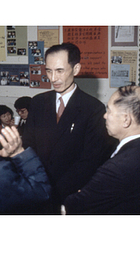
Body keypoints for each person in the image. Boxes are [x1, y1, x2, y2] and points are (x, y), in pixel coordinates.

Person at [22, 42, 116, 213]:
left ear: (76, 69)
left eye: (59, 70)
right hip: (36, 188)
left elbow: (90, 160)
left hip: (70, 194)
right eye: (48, 70)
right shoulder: (37, 102)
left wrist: (56, 192)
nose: (53, 78)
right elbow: (28, 146)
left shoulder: (93, 108)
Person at [64, 85, 140, 214]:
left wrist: (85, 194)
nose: (105, 116)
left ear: (126, 120)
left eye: (109, 111)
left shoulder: (118, 167)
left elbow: (75, 206)